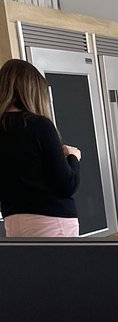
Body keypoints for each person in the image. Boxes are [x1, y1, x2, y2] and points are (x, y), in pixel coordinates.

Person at [0, 59, 81, 237]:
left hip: (13, 222)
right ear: (34, 91)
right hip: (52, 220)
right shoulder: (40, 125)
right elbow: (68, 184)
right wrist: (73, 157)